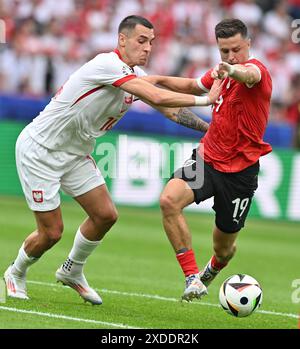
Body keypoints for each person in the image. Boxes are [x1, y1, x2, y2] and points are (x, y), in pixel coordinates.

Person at [3, 15, 222, 305]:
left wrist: (211, 128)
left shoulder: (132, 76)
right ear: (122, 39)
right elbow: (156, 92)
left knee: (106, 215)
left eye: (151, 43)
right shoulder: (107, 64)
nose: (147, 48)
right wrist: (206, 100)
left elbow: (170, 109)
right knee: (52, 232)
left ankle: (72, 270)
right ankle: (15, 272)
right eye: (141, 41)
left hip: (75, 154)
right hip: (41, 151)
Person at [144, 18, 272, 301]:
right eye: (224, 51)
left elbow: (248, 74)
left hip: (241, 173)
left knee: (224, 248)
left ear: (248, 43)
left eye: (236, 49)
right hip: (207, 160)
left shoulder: (256, 71)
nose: (229, 56)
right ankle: (192, 278)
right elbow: (193, 85)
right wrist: (155, 80)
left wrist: (232, 69)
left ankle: (213, 269)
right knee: (168, 200)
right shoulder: (220, 71)